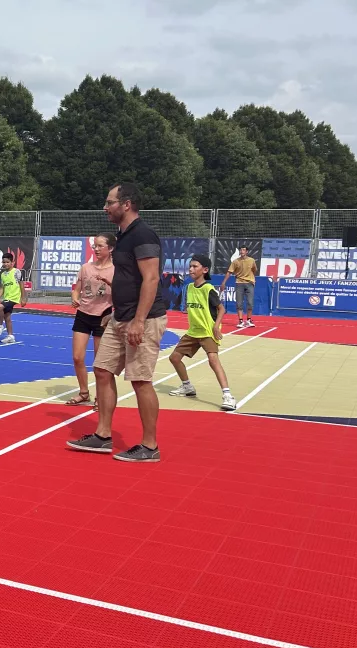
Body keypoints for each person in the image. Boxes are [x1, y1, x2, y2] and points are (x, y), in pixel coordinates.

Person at [67, 183, 169, 463]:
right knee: (101, 369)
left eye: (109, 202)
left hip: (143, 319)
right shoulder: (122, 236)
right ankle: (102, 435)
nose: (105, 207)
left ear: (126, 204)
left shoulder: (143, 235)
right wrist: (117, 312)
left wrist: (138, 320)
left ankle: (150, 446)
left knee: (140, 381)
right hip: (120, 316)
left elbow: (150, 279)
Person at [168, 254, 237, 411]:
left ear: (205, 270)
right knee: (174, 358)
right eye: (190, 266)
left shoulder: (208, 289)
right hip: (193, 332)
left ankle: (228, 396)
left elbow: (222, 309)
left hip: (207, 331)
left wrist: (215, 327)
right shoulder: (190, 287)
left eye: (195, 266)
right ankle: (187, 387)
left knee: (213, 360)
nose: (191, 269)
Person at [65, 233, 116, 406]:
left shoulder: (116, 270)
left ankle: (100, 398)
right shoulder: (86, 267)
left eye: (100, 245)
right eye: (95, 245)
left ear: (110, 248)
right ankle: (83, 392)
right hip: (83, 315)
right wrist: (75, 298)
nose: (96, 249)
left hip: (103, 316)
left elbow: (121, 296)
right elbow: (76, 289)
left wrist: (109, 283)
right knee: (77, 357)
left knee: (99, 363)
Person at [0, 252, 26, 345]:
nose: (5, 264)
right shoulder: (2, 275)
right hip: (7, 297)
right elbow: (2, 288)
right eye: (4, 262)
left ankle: (0, 326)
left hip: (14, 298)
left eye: (7, 262)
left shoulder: (16, 272)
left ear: (12, 262)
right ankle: (10, 336)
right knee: (7, 317)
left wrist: (23, 298)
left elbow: (22, 285)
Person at [220, 246, 257, 328]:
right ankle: (240, 321)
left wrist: (252, 279)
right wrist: (223, 283)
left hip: (249, 283)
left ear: (247, 251)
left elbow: (254, 270)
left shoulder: (251, 260)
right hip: (239, 283)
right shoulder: (236, 261)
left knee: (250, 303)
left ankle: (249, 320)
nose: (242, 251)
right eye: (241, 250)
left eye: (244, 250)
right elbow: (229, 272)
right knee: (239, 303)